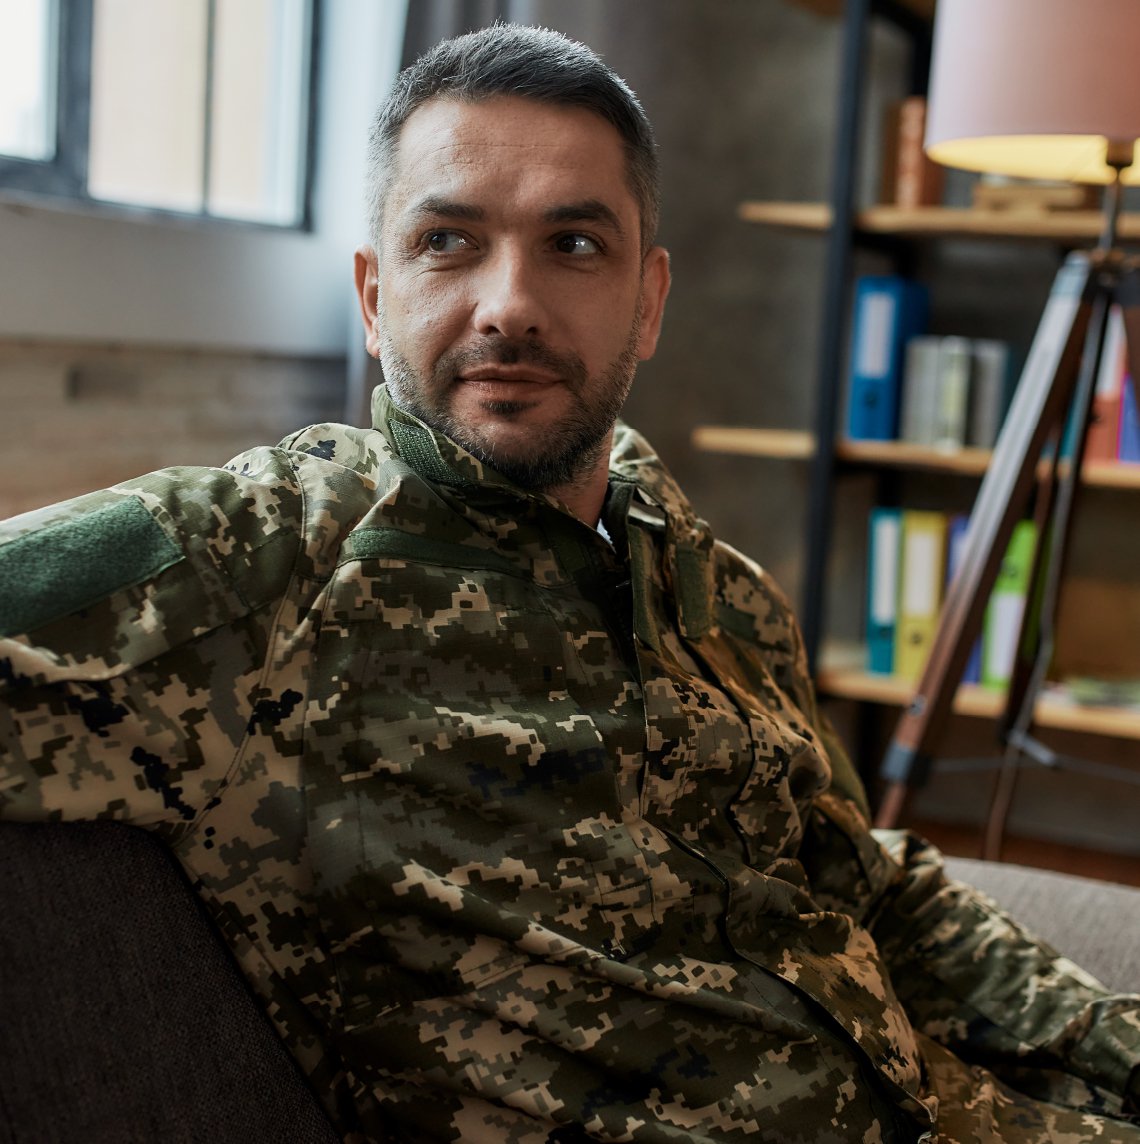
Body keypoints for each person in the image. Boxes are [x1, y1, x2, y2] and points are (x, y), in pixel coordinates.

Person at [1, 22, 1137, 1144]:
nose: (508, 303)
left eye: (573, 245)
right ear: (371, 291)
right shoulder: (262, 564)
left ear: (648, 301)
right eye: (447, 240)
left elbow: (869, 883)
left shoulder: (718, 588)